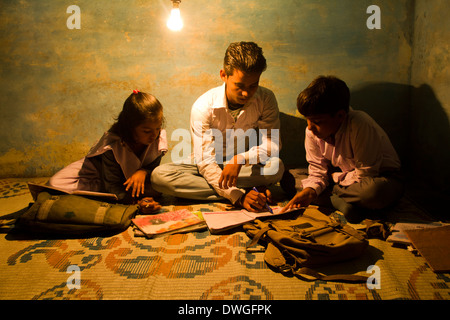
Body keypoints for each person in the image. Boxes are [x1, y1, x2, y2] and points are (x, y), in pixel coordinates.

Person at [151, 41, 284, 212]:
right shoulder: (203, 106)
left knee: (276, 167)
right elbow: (205, 162)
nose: (246, 93)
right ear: (223, 75)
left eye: (253, 86)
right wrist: (238, 196)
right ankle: (246, 190)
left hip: (241, 167)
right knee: (159, 177)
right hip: (205, 164)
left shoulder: (265, 98)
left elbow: (272, 146)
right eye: (240, 86)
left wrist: (240, 159)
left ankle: (199, 192)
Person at [281, 76, 404, 222]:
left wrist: (332, 179)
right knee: (287, 177)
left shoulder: (360, 124)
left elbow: (365, 174)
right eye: (307, 119)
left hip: (377, 178)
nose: (309, 127)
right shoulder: (312, 131)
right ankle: (341, 203)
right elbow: (316, 168)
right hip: (342, 178)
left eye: (317, 121)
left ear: (340, 115)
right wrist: (311, 190)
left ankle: (331, 196)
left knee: (373, 193)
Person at [48, 90, 167, 212]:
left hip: (126, 181)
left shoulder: (158, 140)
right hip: (97, 176)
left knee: (161, 186)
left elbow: (153, 168)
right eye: (146, 131)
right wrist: (135, 203)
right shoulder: (112, 145)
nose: (153, 135)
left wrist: (143, 172)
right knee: (54, 184)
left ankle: (116, 194)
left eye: (157, 128)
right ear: (130, 127)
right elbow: (112, 184)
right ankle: (110, 195)